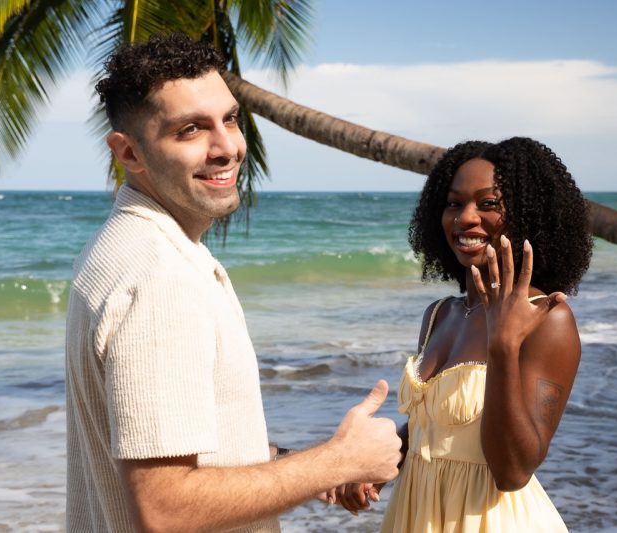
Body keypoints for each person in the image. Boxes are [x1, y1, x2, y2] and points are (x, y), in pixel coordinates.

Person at [64, 33, 401, 533]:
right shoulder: (160, 277)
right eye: (190, 130)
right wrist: (336, 462)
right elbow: (165, 508)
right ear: (129, 153)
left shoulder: (126, 246)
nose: (227, 148)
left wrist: (298, 467)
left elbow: (183, 451)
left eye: (230, 119)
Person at [334, 138, 593, 532]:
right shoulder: (440, 314)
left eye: (488, 204)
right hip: (417, 515)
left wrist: (503, 344)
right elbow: (433, 426)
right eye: (454, 203)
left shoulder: (546, 320)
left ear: (529, 216)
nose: (465, 218)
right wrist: (377, 467)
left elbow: (513, 471)